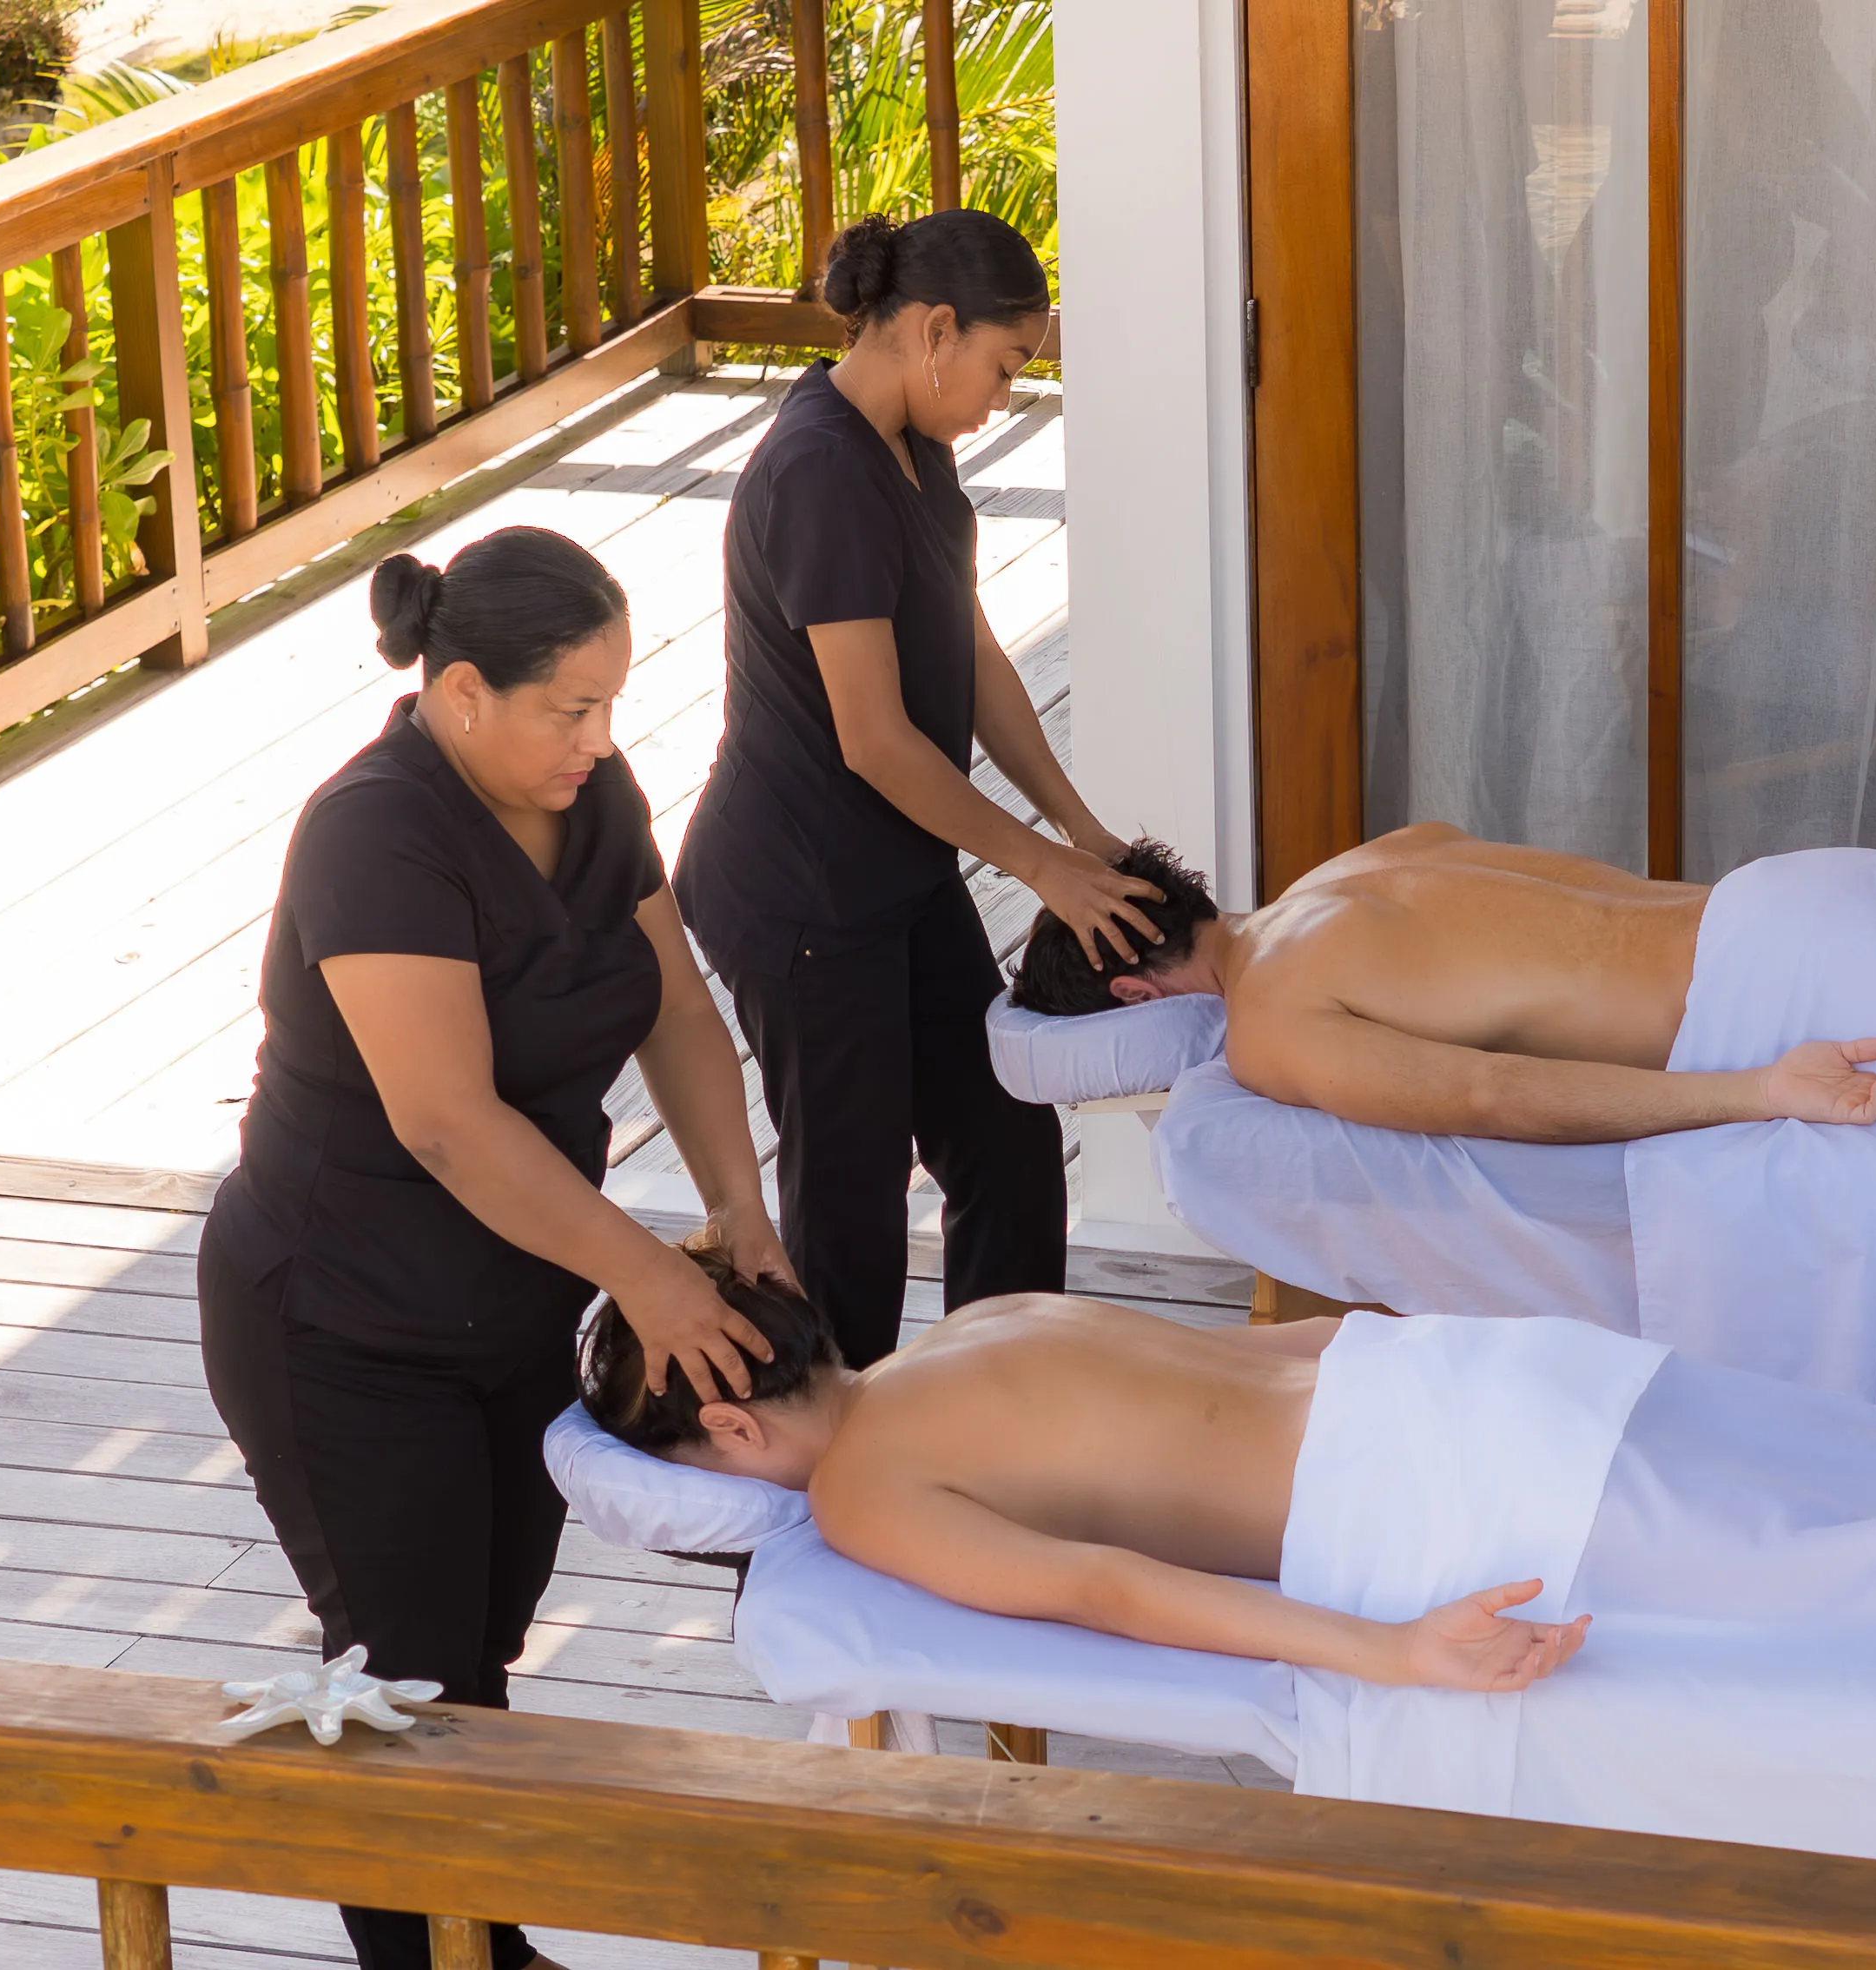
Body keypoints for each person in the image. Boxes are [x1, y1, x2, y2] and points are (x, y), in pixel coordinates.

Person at [200, 528, 793, 1970]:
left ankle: (482, 1939)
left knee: (482, 1650)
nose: (598, 738)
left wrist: (742, 1215)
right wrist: (644, 1273)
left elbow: (675, 1014)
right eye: (567, 708)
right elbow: (448, 1121)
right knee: (404, 1679)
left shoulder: (590, 801)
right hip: (335, 1319)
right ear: (459, 691)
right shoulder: (373, 833)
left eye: (610, 703)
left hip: (510, 1308)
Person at [677, 206, 1158, 1371]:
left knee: (1003, 1147)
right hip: (798, 897)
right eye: (1005, 364)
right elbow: (877, 742)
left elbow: (977, 655)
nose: (1004, 395)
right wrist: (1039, 865)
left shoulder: (916, 448)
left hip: (895, 876)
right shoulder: (821, 472)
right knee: (850, 1219)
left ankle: (993, 1419)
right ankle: (823, 1500)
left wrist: (1082, 833)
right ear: (936, 330)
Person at [579, 1253, 1589, 1689]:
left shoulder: (856, 1492)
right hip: (1454, 1378)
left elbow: (1103, 1586)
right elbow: (1282, 1346)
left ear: (730, 1429)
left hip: (1426, 1495)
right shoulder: (980, 1320)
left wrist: (1393, 1651)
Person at [1003, 826, 1876, 1142]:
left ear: (1132, 998)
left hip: (1795, 1012)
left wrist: (1761, 1091)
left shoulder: (1269, 1021)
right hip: (1802, 896)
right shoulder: (1361, 864)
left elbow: (1489, 1095)